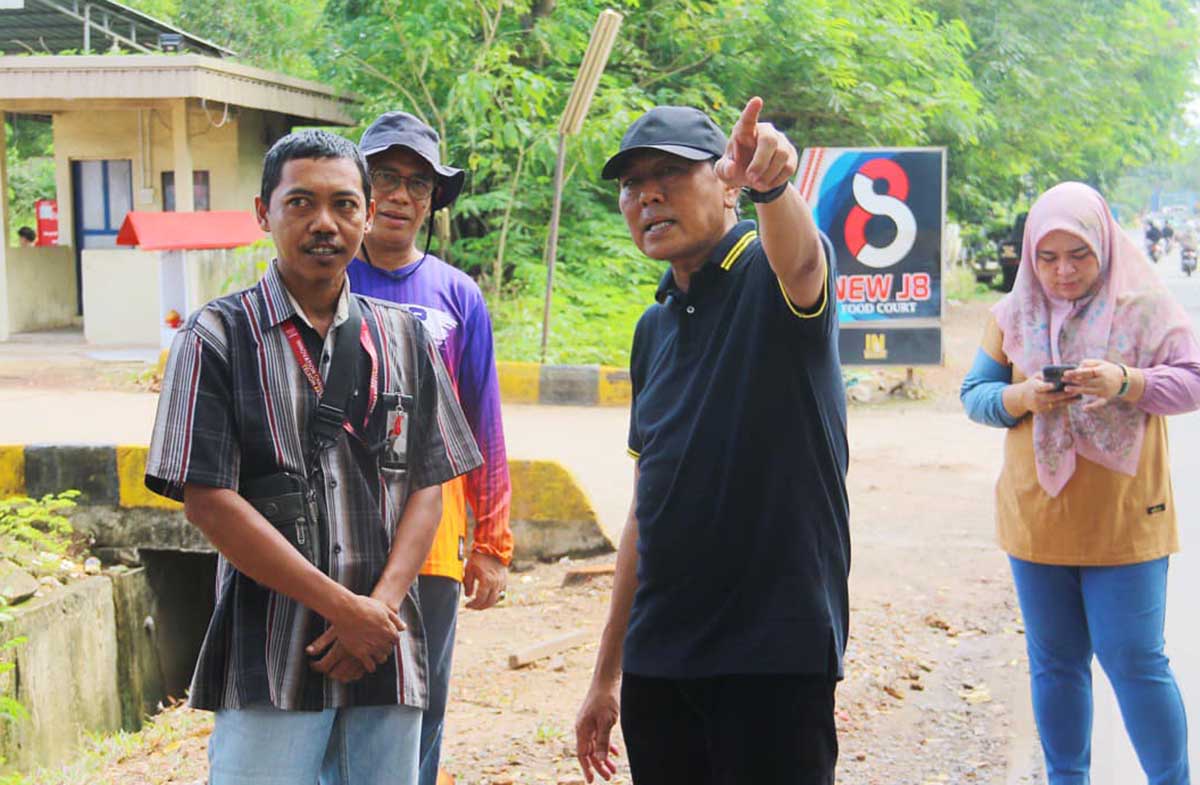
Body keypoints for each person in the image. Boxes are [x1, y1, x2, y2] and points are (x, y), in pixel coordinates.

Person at [144, 129, 483, 785]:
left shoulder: (407, 337)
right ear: (262, 212)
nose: (324, 222)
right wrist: (342, 608)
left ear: (364, 213)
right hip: (272, 649)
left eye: (343, 204)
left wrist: (377, 610)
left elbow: (429, 483)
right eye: (300, 202)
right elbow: (208, 501)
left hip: (386, 648)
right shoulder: (217, 337)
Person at [574, 99, 848, 785]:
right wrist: (608, 673)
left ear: (727, 183)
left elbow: (804, 263)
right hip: (660, 662)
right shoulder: (653, 327)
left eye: (670, 172)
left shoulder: (769, 277)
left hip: (773, 655)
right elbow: (648, 507)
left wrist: (773, 186)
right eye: (632, 183)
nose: (648, 195)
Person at [960, 182, 1199, 785]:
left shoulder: (1146, 309)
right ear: (1030, 256)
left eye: (1079, 255)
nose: (1062, 272)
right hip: (1037, 521)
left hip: (1125, 519)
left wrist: (1126, 382)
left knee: (1135, 660)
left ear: (1105, 247)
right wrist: (1022, 395)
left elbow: (1192, 381)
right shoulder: (1011, 315)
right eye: (1047, 257)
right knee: (1056, 666)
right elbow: (976, 396)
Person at [348, 111, 514, 785]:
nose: (400, 194)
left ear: (433, 202)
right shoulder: (323, 274)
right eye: (385, 175)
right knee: (332, 696)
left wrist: (492, 542)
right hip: (332, 532)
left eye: (418, 183)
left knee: (422, 699)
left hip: (436, 540)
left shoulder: (458, 295)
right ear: (358, 185)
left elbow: (484, 422)